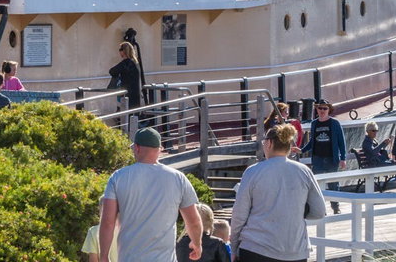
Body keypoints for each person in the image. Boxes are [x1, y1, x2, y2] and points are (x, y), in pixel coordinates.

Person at [97, 127, 203, 262]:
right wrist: (197, 244)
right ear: (159, 149)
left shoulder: (118, 177)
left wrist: (104, 256)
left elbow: (107, 222)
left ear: (137, 148)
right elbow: (193, 220)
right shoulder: (178, 178)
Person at [228, 124, 327, 262]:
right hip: (295, 250)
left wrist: (233, 247)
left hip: (256, 248)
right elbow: (319, 211)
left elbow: (239, 215)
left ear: (269, 143)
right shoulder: (304, 171)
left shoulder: (253, 172)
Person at [307, 101, 347, 213]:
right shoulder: (314, 123)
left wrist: (343, 158)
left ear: (329, 110)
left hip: (331, 158)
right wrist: (301, 150)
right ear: (317, 109)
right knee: (317, 185)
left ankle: (335, 207)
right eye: (320, 108)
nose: (322, 111)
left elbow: (341, 141)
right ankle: (321, 209)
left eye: (325, 108)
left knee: (333, 184)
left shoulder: (334, 123)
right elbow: (312, 142)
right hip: (318, 158)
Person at [109, 41, 145, 115]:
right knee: (134, 118)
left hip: (127, 95)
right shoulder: (135, 62)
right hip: (136, 95)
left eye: (120, 50)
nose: (119, 52)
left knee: (126, 118)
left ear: (123, 51)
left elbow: (112, 71)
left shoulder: (126, 63)